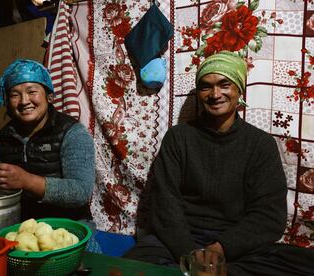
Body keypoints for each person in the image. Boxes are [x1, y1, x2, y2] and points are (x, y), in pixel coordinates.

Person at [124, 51, 314, 275]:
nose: (215, 94)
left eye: (224, 84)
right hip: (180, 242)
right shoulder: (179, 138)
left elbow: (269, 215)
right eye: (206, 86)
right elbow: (165, 205)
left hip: (236, 246)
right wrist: (193, 256)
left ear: (238, 89)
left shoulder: (260, 144)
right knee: (133, 266)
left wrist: (220, 250)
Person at [0, 59, 95, 222]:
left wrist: (27, 181)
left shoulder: (73, 133)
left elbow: (80, 192)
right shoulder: (2, 138)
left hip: (69, 226)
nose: (24, 101)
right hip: (21, 225)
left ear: (49, 96)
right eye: (15, 95)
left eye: (32, 92)